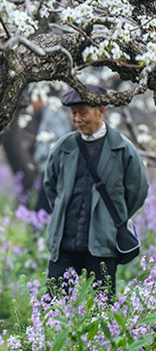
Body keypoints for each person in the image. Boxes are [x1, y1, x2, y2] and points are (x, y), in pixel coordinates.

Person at [42, 84, 148, 298]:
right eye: (73, 113)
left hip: (103, 245)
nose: (77, 119)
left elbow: (138, 191)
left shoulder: (122, 149)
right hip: (65, 243)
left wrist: (112, 219)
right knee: (52, 306)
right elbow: (50, 186)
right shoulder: (64, 147)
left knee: (102, 311)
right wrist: (62, 208)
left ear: (101, 110)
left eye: (83, 112)